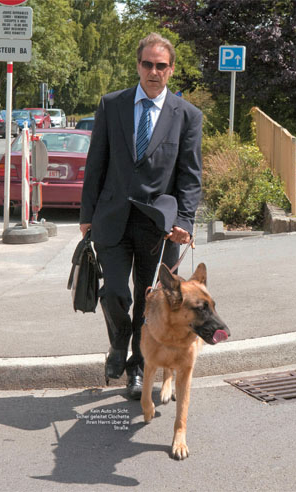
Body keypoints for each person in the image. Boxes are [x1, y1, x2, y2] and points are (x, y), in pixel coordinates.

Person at [79, 33, 203, 399]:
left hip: (160, 227)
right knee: (115, 292)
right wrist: (87, 214)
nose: (153, 71)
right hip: (112, 219)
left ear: (171, 70)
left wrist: (186, 221)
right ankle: (118, 345)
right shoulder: (112, 105)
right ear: (138, 66)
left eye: (160, 66)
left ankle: (136, 367)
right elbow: (96, 162)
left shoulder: (187, 116)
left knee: (151, 302)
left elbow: (190, 176)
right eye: (147, 64)